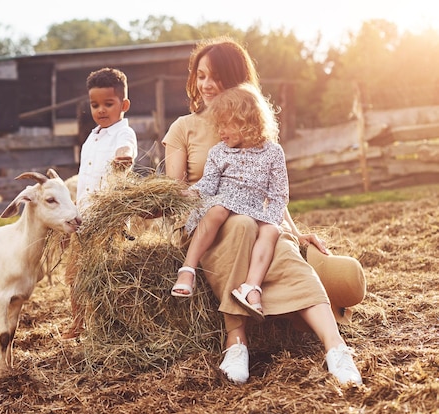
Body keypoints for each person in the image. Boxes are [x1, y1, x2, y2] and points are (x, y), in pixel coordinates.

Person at [162, 36, 363, 386]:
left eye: (216, 76)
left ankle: (336, 349)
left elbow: (272, 193)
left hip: (257, 217)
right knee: (239, 225)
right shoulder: (183, 128)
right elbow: (175, 192)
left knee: (282, 249)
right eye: (200, 75)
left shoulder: (254, 126)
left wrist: (295, 231)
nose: (206, 84)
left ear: (236, 79)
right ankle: (236, 341)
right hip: (210, 219)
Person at [171, 83, 289, 325]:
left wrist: (272, 219)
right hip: (223, 201)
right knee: (217, 210)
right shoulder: (219, 152)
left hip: (255, 208)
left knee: (272, 230)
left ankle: (251, 287)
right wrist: (185, 195)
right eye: (218, 126)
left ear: (247, 121)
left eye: (225, 125)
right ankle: (188, 270)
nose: (220, 131)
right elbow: (207, 186)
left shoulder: (273, 153)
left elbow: (279, 195)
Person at [62, 67, 138, 339]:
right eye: (95, 105)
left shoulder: (123, 134)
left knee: (107, 273)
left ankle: (111, 324)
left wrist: (123, 158)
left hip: (110, 220)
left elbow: (126, 150)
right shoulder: (91, 138)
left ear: (124, 105)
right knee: (74, 274)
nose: (101, 110)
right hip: (84, 219)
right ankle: (78, 322)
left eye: (109, 104)